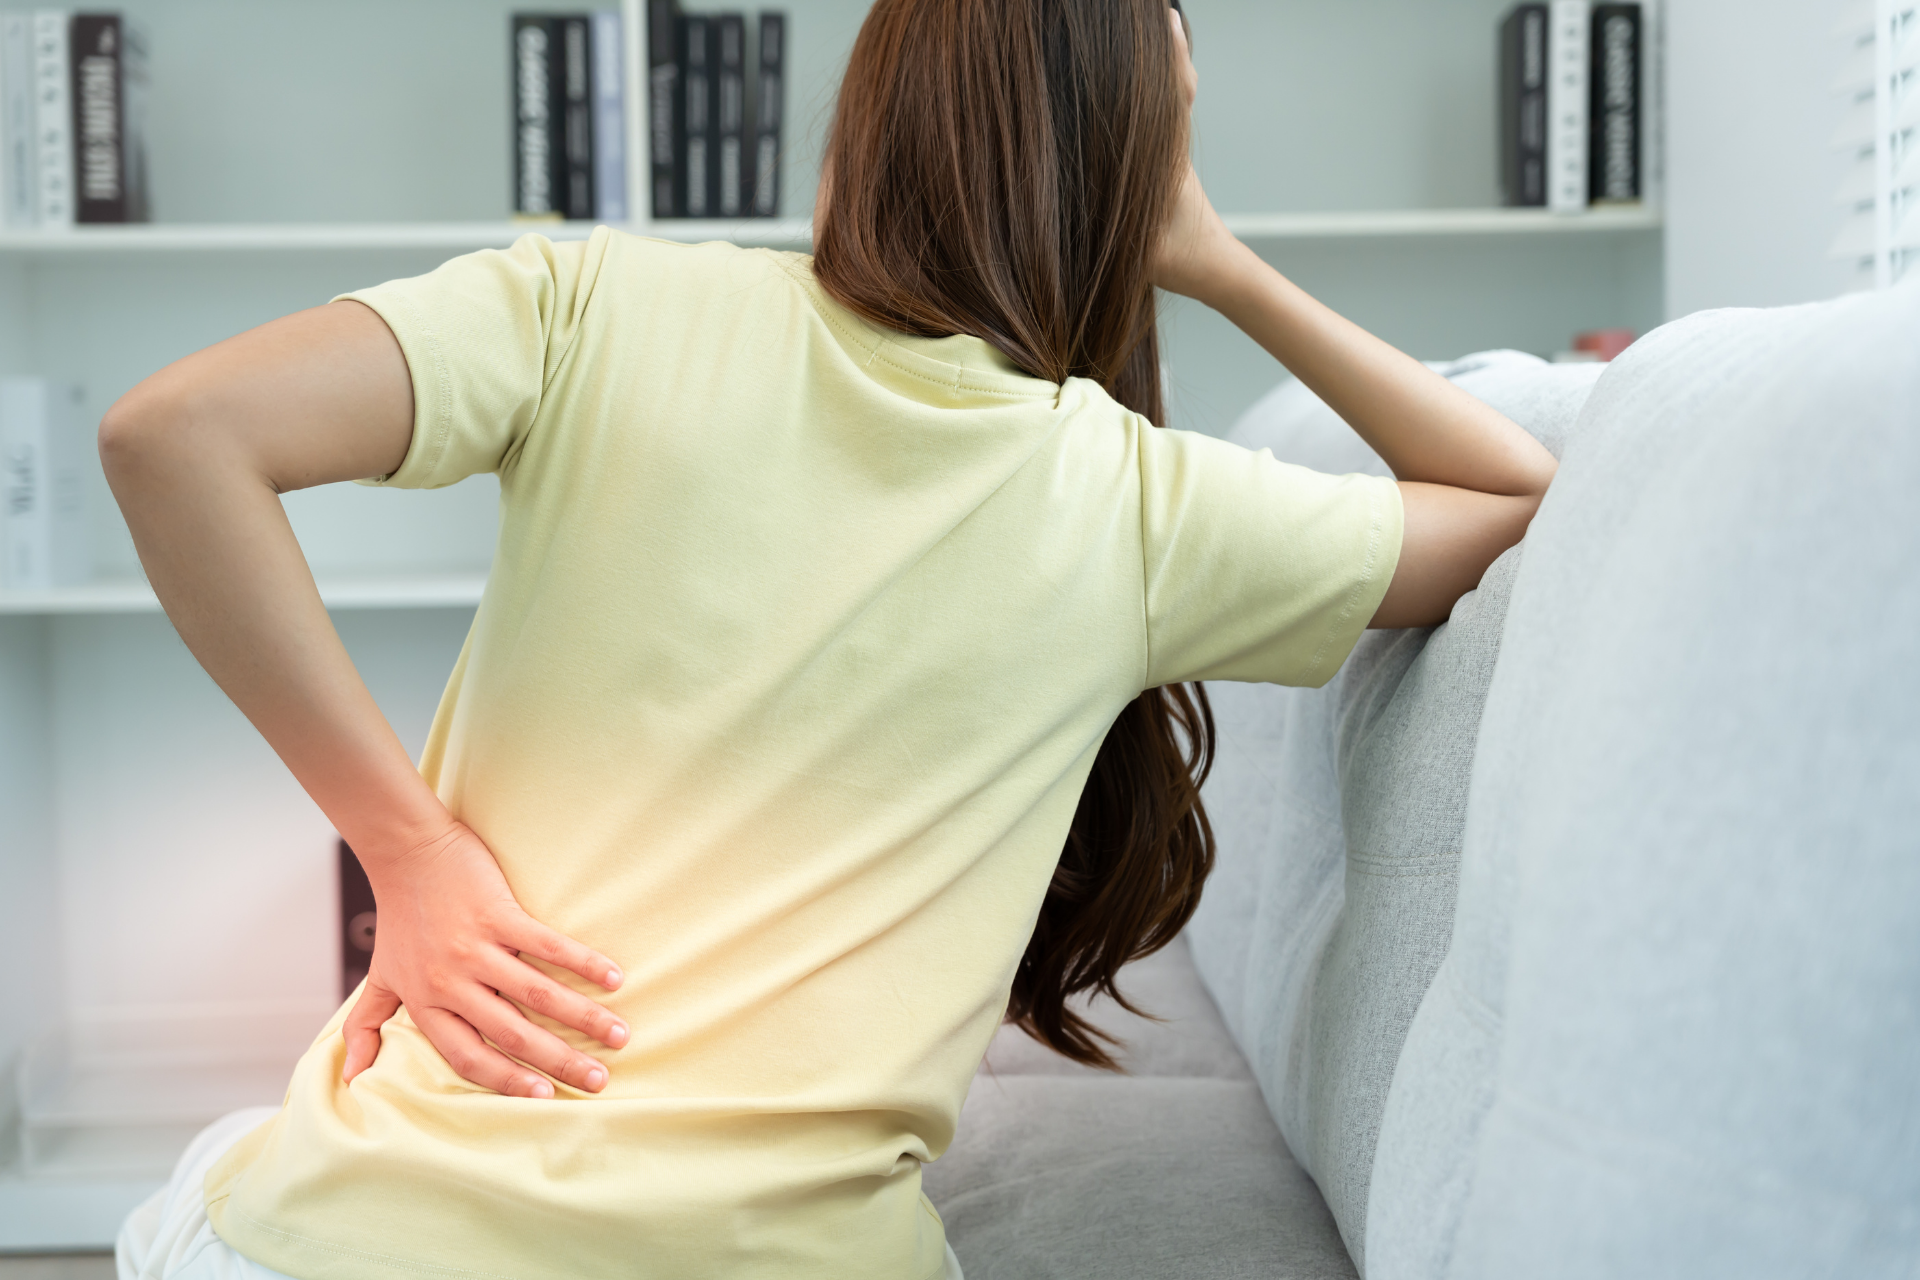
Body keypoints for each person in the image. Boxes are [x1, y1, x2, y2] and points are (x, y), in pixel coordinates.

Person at [105, 2, 1558, 1277]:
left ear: (877, 97)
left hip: (363, 1234)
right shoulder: (1138, 508)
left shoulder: (597, 304)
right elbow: (1518, 495)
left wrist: (409, 853)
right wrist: (1217, 260)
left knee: (213, 1169)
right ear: (1143, 167)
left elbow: (173, 435)